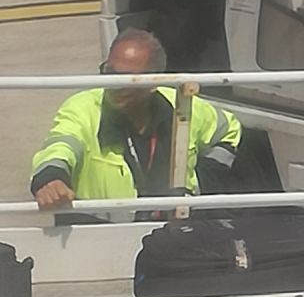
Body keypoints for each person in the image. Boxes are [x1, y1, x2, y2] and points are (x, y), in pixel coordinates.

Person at [29, 30, 241, 214]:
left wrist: (204, 181)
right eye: (110, 73)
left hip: (172, 231)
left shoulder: (183, 107)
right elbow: (61, 145)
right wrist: (51, 178)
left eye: (128, 78)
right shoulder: (82, 108)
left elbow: (229, 130)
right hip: (100, 233)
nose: (114, 84)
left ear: (153, 82)